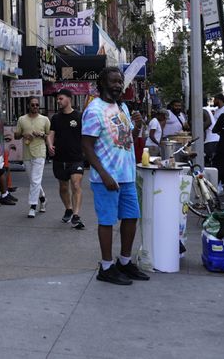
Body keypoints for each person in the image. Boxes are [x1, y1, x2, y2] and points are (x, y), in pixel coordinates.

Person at [82, 66, 150, 285]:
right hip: (107, 178)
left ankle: (125, 261)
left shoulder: (123, 108)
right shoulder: (94, 110)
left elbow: (126, 137)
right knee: (108, 221)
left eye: (120, 82)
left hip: (127, 175)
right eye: (113, 81)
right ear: (102, 83)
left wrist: (137, 126)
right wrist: (103, 174)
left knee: (131, 217)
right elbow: (87, 146)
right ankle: (106, 266)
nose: (118, 85)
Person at [47, 89, 85, 229]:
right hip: (60, 158)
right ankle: (68, 208)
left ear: (69, 99)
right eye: (58, 99)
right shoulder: (55, 118)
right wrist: (50, 145)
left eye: (61, 98)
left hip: (76, 158)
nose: (58, 101)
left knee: (76, 185)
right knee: (63, 187)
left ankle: (76, 215)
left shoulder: (79, 116)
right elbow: (51, 134)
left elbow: (86, 136)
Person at [15, 97, 50, 218]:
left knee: (35, 180)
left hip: (40, 152)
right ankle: (43, 198)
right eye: (33, 105)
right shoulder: (22, 119)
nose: (35, 107)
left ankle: (32, 206)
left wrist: (42, 134)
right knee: (33, 180)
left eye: (37, 105)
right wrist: (23, 134)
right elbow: (16, 135)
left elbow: (49, 137)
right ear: (28, 106)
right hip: (27, 153)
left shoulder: (44, 119)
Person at [203, 96, 220, 165]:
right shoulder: (206, 109)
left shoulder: (203, 109)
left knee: (210, 162)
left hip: (210, 141)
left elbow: (208, 122)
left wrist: (198, 130)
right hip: (214, 139)